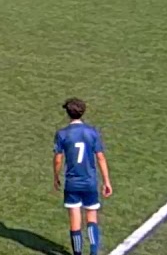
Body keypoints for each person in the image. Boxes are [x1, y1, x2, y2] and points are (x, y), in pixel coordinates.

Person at [53, 98, 112, 255]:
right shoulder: (92, 132)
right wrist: (106, 181)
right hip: (90, 182)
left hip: (72, 183)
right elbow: (100, 157)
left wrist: (56, 176)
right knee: (92, 216)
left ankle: (77, 253)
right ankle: (93, 252)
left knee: (75, 219)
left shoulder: (62, 134)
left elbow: (58, 159)